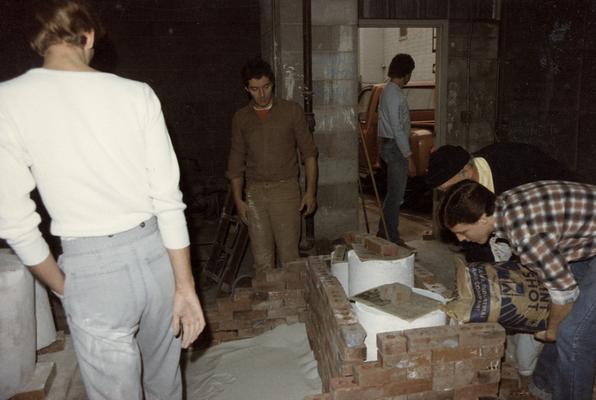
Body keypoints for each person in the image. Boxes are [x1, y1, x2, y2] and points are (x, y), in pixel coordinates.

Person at [0, 1, 205, 398]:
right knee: (164, 386)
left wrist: (66, 288)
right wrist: (185, 287)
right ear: (88, 35)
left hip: (92, 271)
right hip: (156, 258)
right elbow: (169, 201)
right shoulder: (136, 94)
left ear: (38, 41)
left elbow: (14, 224)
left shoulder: (8, 100)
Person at [440, 179, 596, 400]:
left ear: (483, 218)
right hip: (586, 237)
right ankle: (542, 390)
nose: (461, 238)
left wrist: (552, 332)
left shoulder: (527, 237)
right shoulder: (504, 202)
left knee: (572, 335)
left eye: (463, 231)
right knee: (561, 320)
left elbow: (565, 294)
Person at [226, 57, 318, 273]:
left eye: (266, 87)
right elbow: (236, 161)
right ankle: (269, 303)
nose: (262, 94)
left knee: (290, 257)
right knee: (262, 260)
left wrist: (310, 192)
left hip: (285, 191)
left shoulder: (291, 111)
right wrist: (238, 199)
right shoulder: (241, 118)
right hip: (255, 194)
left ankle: (294, 303)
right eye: (255, 89)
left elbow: (309, 155)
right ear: (246, 89)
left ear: (273, 84)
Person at [426, 142, 578, 193]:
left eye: (448, 189)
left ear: (467, 171)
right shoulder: (468, 185)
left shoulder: (514, 167)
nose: (448, 194)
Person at [377, 53, 416, 244]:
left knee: (394, 193)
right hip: (395, 146)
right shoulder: (393, 93)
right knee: (396, 195)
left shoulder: (389, 91)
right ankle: (390, 235)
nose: (410, 78)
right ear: (406, 73)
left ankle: (384, 231)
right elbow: (397, 128)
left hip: (391, 144)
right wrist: (409, 156)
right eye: (410, 73)